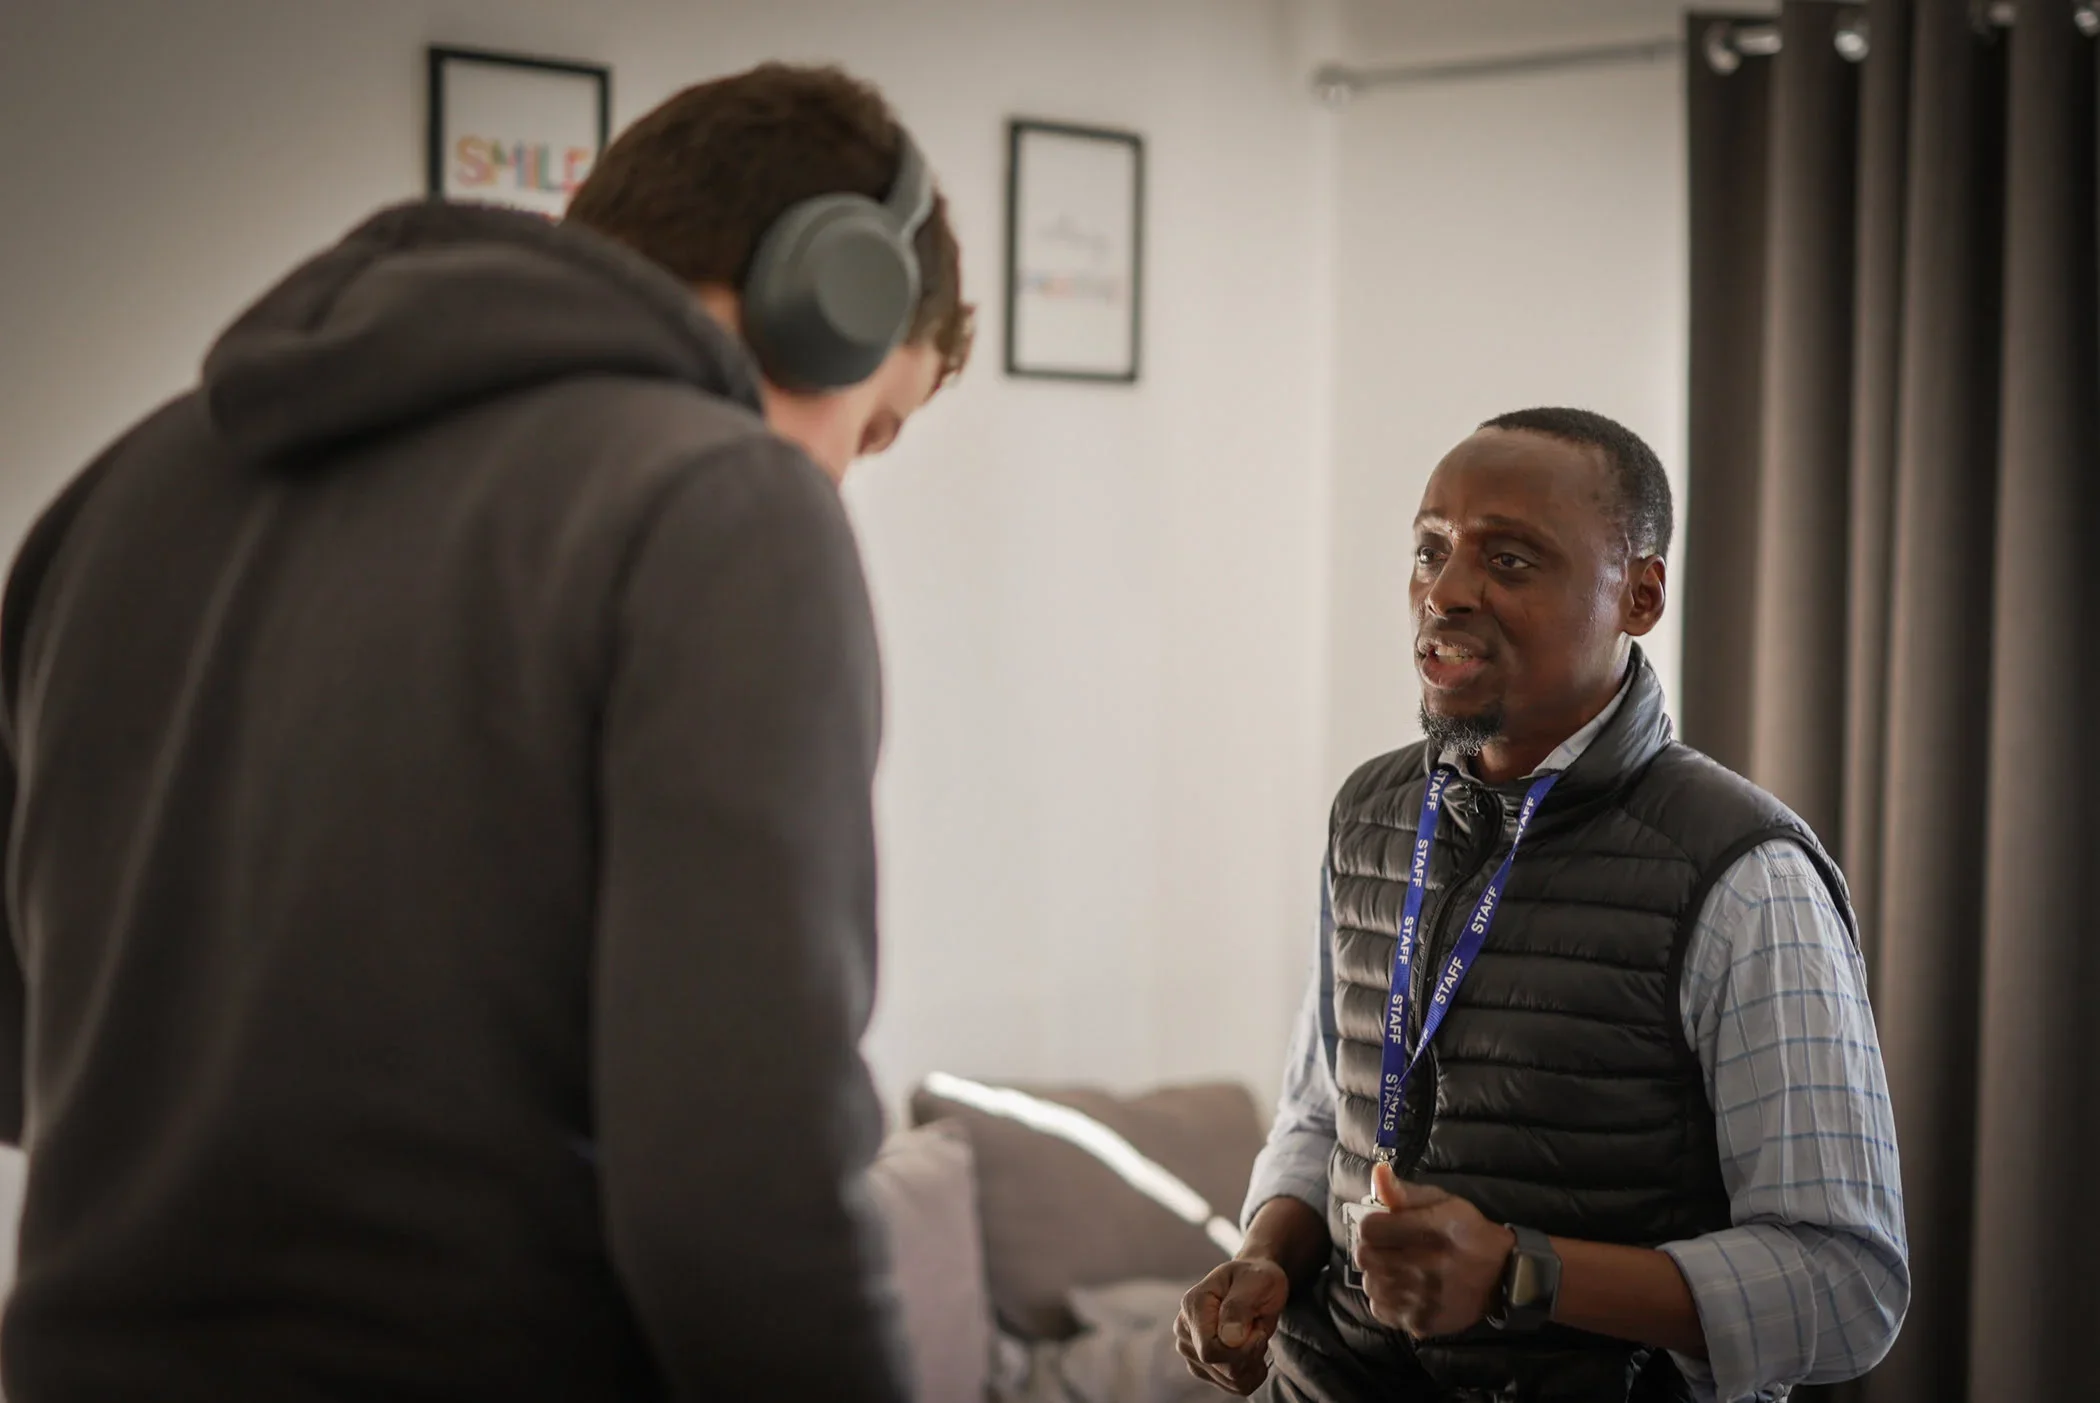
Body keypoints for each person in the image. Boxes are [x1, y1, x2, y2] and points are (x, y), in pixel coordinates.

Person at [0, 62, 970, 1403]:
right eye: (870, 427)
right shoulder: (723, 506)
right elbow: (746, 1189)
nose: (838, 479)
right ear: (829, 298)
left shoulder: (114, 495)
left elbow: (23, 1060)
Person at [1175, 409, 1908, 1403]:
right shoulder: (1371, 814)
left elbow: (1845, 1283)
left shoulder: (1744, 872)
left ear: (1640, 594)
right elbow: (1323, 1115)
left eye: (1511, 560)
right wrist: (1267, 1250)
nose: (1446, 590)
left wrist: (1525, 1271)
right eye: (1430, 550)